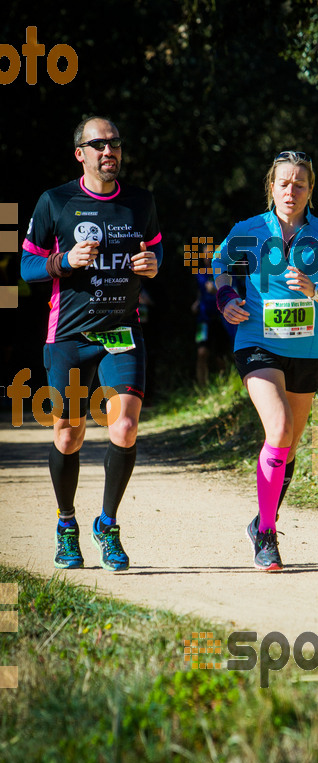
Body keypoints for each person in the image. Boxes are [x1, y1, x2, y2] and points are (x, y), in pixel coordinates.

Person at [21, 116, 163, 572]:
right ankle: (67, 525)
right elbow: (27, 267)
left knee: (123, 429)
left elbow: (156, 250)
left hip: (122, 333)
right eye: (98, 144)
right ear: (80, 153)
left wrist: (151, 264)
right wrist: (62, 261)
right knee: (68, 435)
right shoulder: (55, 202)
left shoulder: (140, 202)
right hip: (68, 337)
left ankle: (108, 525)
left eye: (115, 143)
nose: (109, 151)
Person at [214, 150, 318, 571]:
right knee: (279, 427)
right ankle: (268, 537)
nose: (291, 191)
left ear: (311, 190)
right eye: (284, 183)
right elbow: (220, 265)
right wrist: (225, 298)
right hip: (257, 341)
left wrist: (314, 291)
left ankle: (262, 520)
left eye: (300, 184)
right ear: (270, 186)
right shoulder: (249, 230)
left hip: (306, 350)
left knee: (287, 444)